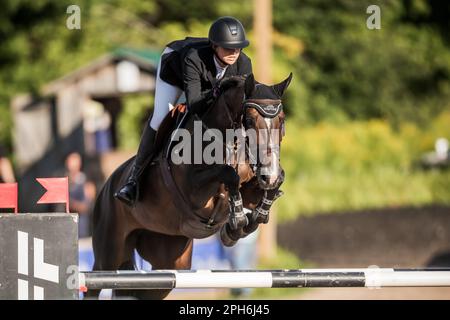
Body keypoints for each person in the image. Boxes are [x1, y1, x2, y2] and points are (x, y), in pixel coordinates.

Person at [115, 16, 253, 207]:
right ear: (214, 46)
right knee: (159, 117)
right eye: (228, 47)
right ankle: (133, 180)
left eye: (237, 48)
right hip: (175, 72)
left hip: (209, 86)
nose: (233, 53)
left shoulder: (244, 64)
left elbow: (239, 105)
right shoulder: (193, 59)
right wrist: (218, 91)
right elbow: (195, 103)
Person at [65, 152, 96, 238]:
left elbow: (90, 195)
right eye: (72, 161)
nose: (74, 164)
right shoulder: (64, 179)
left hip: (83, 221)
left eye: (76, 161)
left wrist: (82, 205)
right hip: (68, 220)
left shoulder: (85, 178)